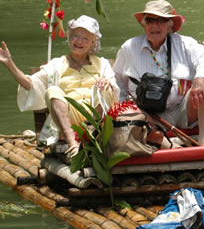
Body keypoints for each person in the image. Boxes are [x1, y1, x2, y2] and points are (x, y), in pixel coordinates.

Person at [0, 15, 118, 162]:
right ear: (69, 37)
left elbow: (116, 93)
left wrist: (106, 83)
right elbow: (31, 84)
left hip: (97, 118)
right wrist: (9, 64)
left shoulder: (103, 64)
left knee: (107, 87)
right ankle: (73, 144)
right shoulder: (57, 65)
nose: (78, 41)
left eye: (85, 38)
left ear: (93, 43)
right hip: (71, 117)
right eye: (75, 36)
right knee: (52, 91)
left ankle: (92, 134)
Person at [113, 0, 204, 146]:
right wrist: (128, 111)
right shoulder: (129, 48)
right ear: (144, 24)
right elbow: (118, 82)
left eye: (161, 21)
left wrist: (199, 80)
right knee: (123, 109)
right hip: (149, 117)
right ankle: (170, 147)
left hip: (184, 110)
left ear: (170, 25)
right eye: (150, 20)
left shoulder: (186, 44)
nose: (155, 25)